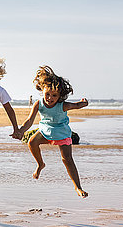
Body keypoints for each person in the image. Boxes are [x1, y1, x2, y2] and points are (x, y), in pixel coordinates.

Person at [19, 66, 89, 198]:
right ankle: (40, 164)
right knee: (32, 142)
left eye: (54, 95)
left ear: (60, 96)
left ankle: (78, 187)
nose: (50, 98)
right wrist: (20, 130)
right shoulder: (38, 104)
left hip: (61, 132)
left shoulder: (62, 105)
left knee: (67, 159)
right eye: (47, 94)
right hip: (46, 130)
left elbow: (76, 105)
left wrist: (83, 103)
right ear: (42, 90)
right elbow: (29, 120)